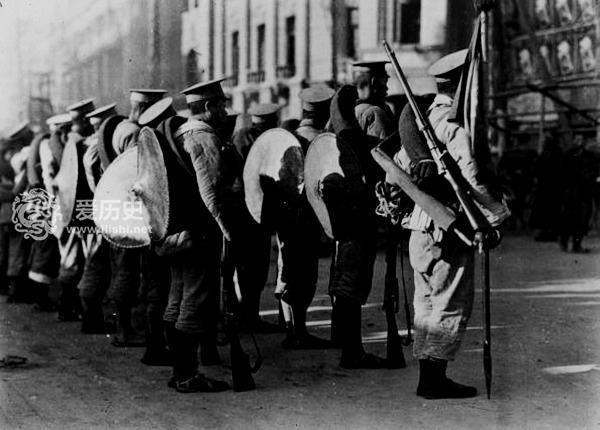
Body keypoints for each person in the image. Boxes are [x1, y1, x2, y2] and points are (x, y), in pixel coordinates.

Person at [391, 49, 510, 399]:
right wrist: (494, 218)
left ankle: (428, 375)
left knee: (426, 301)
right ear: (462, 85)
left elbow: (402, 167)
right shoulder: (453, 125)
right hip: (448, 225)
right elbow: (472, 176)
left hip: (419, 225)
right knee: (449, 301)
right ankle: (433, 379)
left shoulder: (420, 119)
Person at [160, 78, 238, 393]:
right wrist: (228, 232)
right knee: (194, 300)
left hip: (175, 232)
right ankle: (187, 375)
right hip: (199, 234)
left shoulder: (176, 134)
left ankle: (179, 371)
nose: (225, 110)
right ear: (208, 107)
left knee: (177, 298)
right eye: (221, 105)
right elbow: (212, 193)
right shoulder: (201, 136)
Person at [325, 81, 387, 369]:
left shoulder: (334, 137)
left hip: (341, 222)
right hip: (357, 220)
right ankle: (352, 352)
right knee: (352, 284)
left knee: (345, 283)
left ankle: (348, 345)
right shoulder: (351, 139)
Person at [276, 85, 335, 349]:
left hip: (287, 217)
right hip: (309, 218)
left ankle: (292, 329)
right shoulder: (322, 141)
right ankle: (299, 331)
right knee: (306, 275)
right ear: (324, 112)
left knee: (287, 271)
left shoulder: (288, 138)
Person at [108, 89, 165, 347]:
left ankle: (128, 327)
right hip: (132, 210)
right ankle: (125, 330)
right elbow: (137, 170)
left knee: (127, 268)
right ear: (145, 108)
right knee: (131, 271)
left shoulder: (121, 127)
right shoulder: (133, 132)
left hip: (119, 206)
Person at [231, 103, 281, 332]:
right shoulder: (266, 139)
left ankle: (248, 316)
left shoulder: (242, 135)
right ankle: (249, 318)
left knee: (248, 266)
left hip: (244, 209)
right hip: (252, 209)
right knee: (254, 267)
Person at [78, 103, 119, 334]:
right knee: (96, 262)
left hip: (95, 209)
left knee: (97, 263)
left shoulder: (90, 144)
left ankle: (91, 317)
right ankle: (90, 318)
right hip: (99, 209)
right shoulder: (95, 146)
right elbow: (96, 179)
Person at [55, 98, 96, 321]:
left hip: (68, 207)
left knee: (72, 258)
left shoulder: (69, 141)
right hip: (77, 208)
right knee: (77, 259)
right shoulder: (79, 142)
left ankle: (68, 306)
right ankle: (69, 307)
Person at [3, 122, 34, 303]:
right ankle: (16, 292)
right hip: (22, 205)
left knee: (16, 250)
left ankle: (15, 290)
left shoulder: (13, 157)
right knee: (20, 250)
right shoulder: (25, 156)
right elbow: (19, 187)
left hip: (16, 206)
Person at [558, 133, 599, 252]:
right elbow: (563, 173)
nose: (580, 141)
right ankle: (564, 242)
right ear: (574, 140)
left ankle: (577, 245)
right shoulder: (569, 154)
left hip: (584, 192)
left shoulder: (590, 156)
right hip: (571, 192)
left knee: (582, 218)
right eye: (577, 139)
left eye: (582, 139)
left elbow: (594, 171)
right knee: (569, 218)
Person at [530, 135, 563, 241]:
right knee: (551, 211)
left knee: (543, 211)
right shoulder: (558, 153)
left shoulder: (543, 155)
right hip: (553, 187)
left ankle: (543, 233)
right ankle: (549, 233)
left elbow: (535, 171)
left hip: (544, 187)